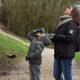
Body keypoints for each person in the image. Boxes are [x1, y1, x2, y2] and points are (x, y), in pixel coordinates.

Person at [50, 4, 80, 80]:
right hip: (59, 53)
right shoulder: (62, 22)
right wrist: (50, 37)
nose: (67, 8)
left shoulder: (72, 23)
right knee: (56, 75)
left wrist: (54, 36)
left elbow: (69, 37)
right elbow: (58, 36)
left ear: (72, 13)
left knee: (67, 76)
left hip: (67, 54)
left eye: (69, 8)